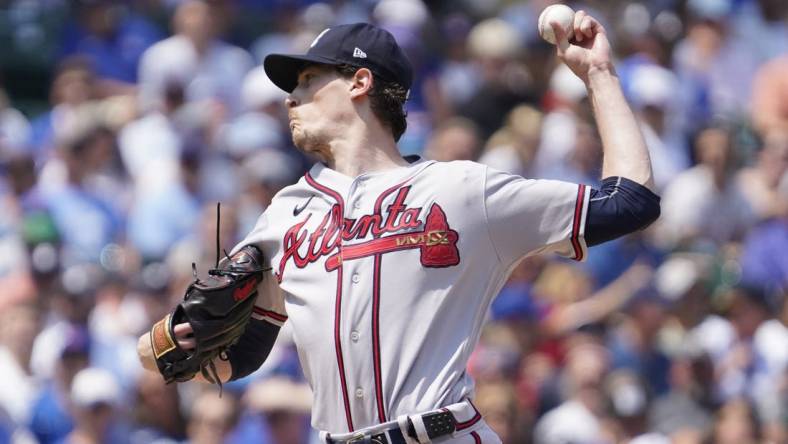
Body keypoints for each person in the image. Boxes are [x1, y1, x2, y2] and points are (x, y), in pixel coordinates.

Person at [139, 14, 660, 443]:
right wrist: (175, 346)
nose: (290, 98)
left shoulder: (462, 191)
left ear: (360, 82)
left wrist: (599, 75)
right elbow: (241, 351)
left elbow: (629, 202)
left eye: (307, 81)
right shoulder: (285, 213)